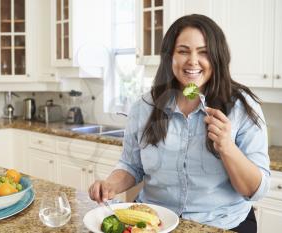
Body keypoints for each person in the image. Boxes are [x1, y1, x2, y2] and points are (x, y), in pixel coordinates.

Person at [88, 14, 270, 232]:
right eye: (183, 51)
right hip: (155, 221)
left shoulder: (242, 108)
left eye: (203, 52)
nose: (192, 61)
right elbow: (131, 165)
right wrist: (111, 185)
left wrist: (227, 147)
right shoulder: (144, 107)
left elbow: (254, 190)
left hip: (222, 223)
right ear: (169, 57)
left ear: (217, 58)